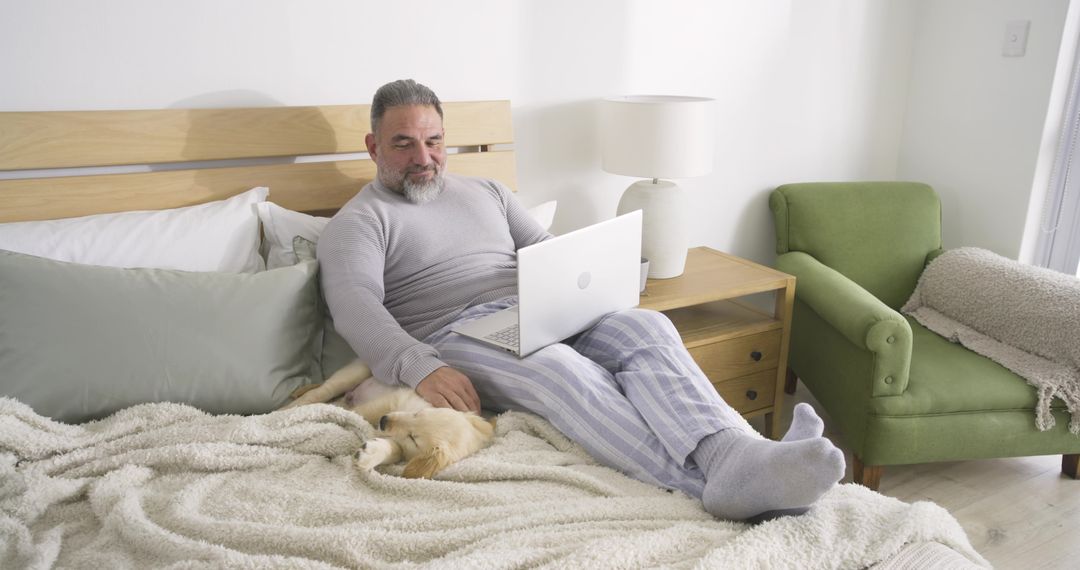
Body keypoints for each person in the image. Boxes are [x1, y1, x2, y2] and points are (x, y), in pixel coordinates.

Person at [318, 79, 845, 522]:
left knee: (649, 329)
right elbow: (356, 307)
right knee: (559, 368)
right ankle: (701, 484)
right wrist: (421, 367)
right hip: (457, 332)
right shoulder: (359, 223)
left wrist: (601, 279)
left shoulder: (489, 193)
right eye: (403, 144)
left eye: (433, 141)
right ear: (373, 146)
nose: (423, 158)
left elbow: (547, 252)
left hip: (541, 308)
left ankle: (739, 453)